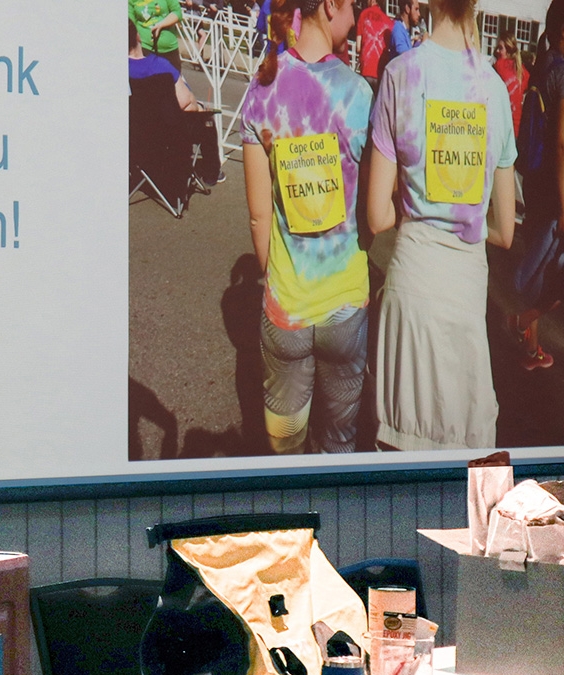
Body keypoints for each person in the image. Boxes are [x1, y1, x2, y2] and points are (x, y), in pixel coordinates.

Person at [367, 0, 517, 450]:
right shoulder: (494, 91)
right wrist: (463, 217)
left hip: (411, 284)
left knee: (398, 462)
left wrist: (419, 210)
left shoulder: (399, 75)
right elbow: (506, 231)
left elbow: (377, 216)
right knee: (462, 471)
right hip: (465, 298)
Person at [240, 0, 372, 454]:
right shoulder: (360, 95)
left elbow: (259, 214)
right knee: (339, 442)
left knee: (285, 445)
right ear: (331, 5)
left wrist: (275, 278)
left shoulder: (262, 90)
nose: (356, 20)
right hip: (345, 303)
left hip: (287, 304)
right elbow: (372, 212)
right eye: (353, 6)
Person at [510, 2, 564, 370]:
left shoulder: (544, 62)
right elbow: (561, 142)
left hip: (534, 178)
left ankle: (530, 345)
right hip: (553, 187)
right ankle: (521, 317)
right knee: (547, 273)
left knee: (541, 266)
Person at [129, 17, 224, 186]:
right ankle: (212, 174)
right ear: (138, 36)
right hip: (168, 134)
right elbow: (186, 103)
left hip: (135, 135)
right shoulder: (160, 67)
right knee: (205, 119)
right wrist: (200, 108)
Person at [131, 0, 186, 70]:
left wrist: (161, 25)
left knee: (175, 79)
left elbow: (177, 13)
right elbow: (130, 22)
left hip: (169, 48)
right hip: (144, 47)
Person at [494, 31, 530, 138]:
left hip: (502, 125)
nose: (497, 51)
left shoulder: (499, 66)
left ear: (508, 51)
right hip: (517, 128)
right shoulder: (523, 72)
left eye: (500, 48)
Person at [355, 0, 394, 89]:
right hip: (381, 74)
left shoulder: (364, 14)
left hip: (366, 70)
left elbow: (358, 47)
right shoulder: (389, 22)